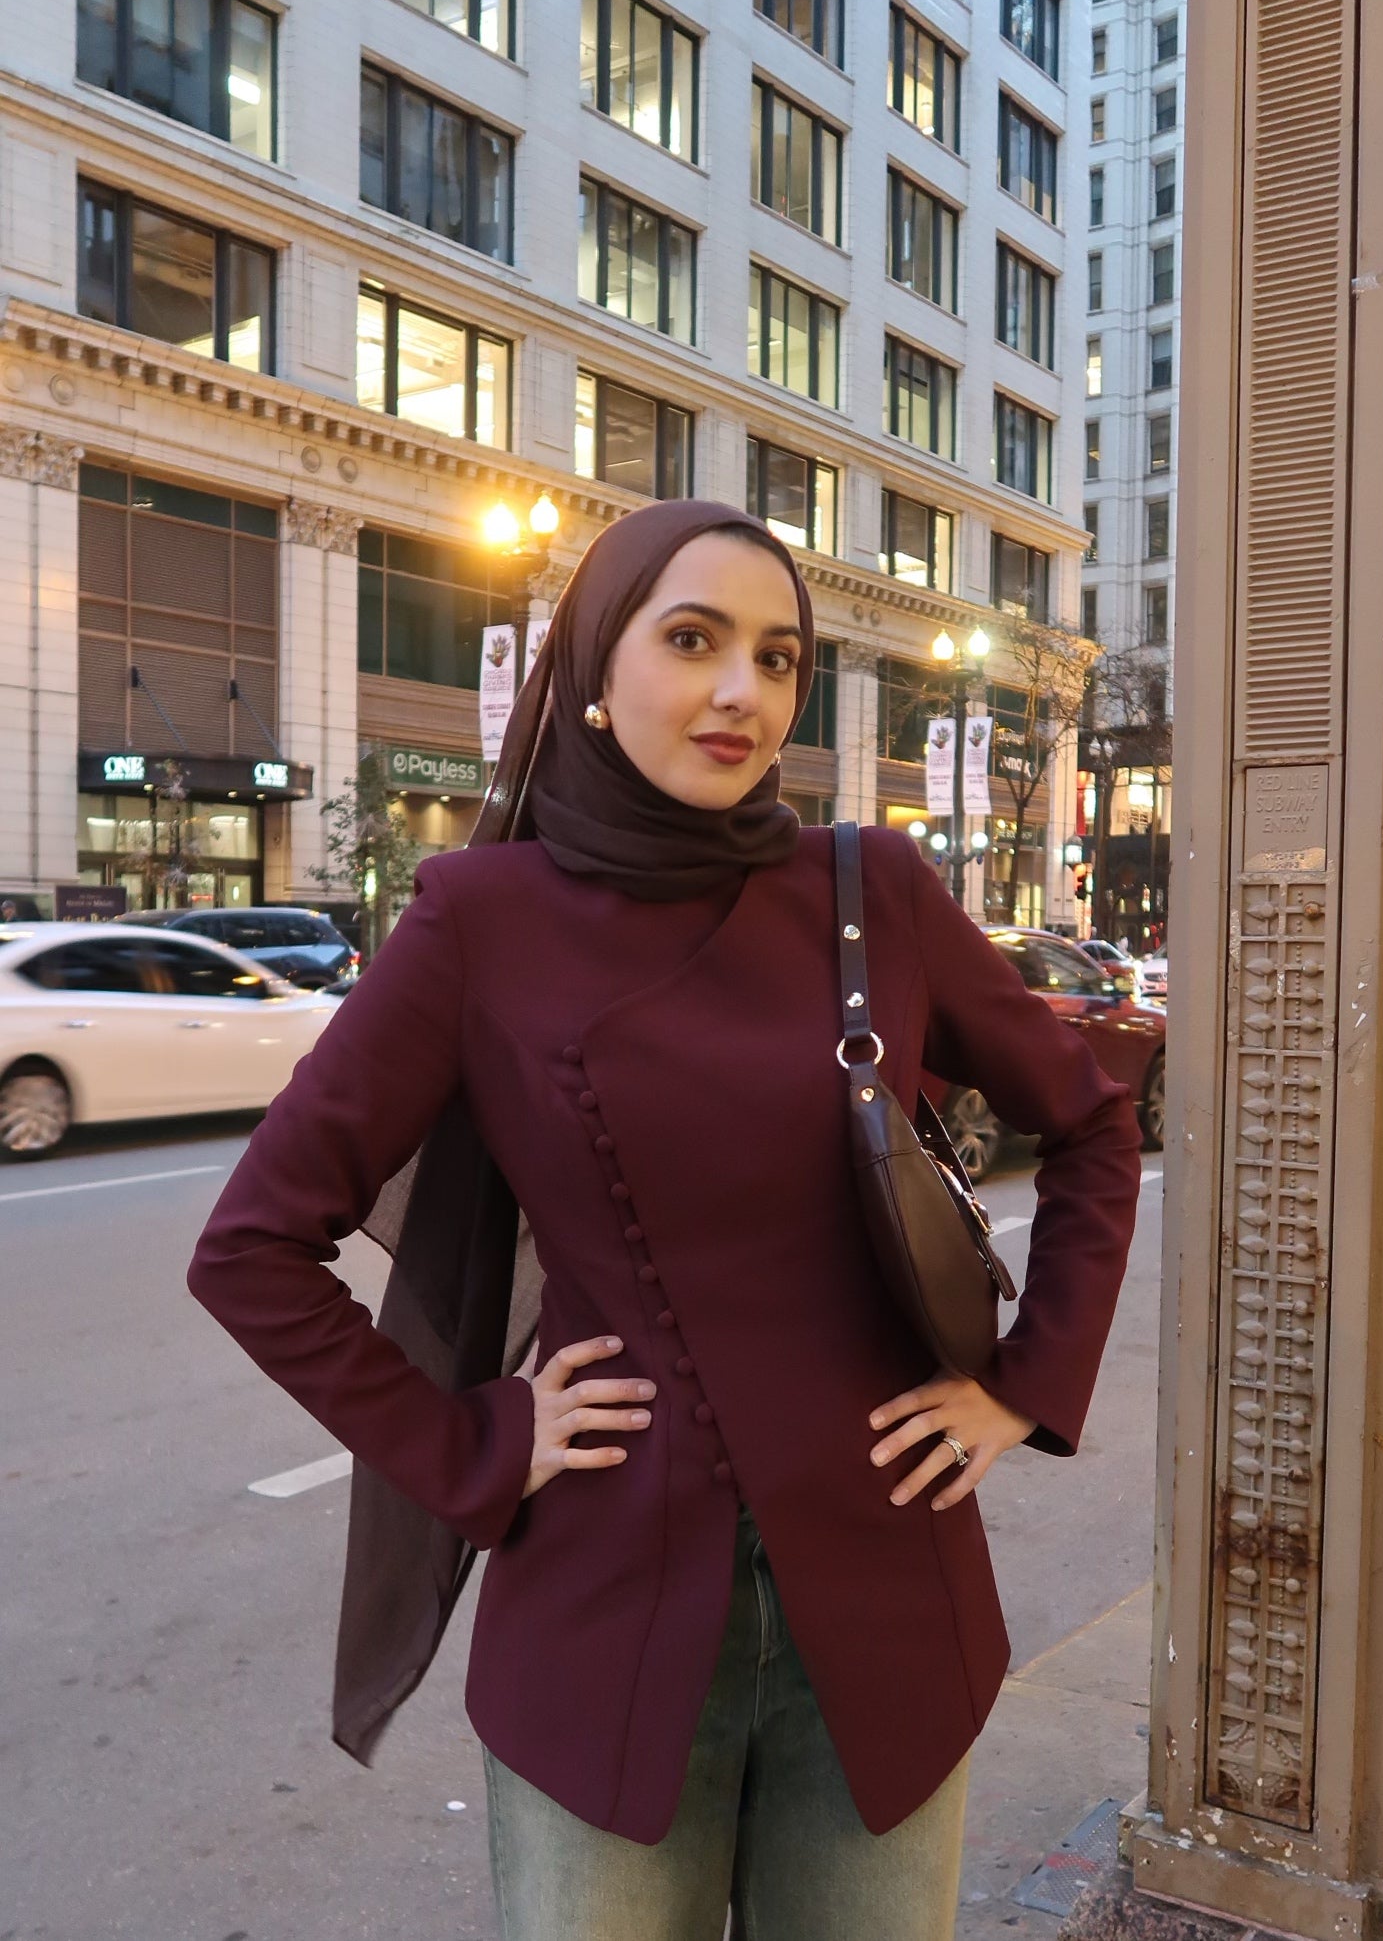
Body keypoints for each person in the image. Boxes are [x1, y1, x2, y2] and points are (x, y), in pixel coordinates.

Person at [188, 501, 1141, 1941]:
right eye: (692, 640)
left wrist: (1024, 1388)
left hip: (887, 1611)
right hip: (602, 1620)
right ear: (590, 670)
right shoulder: (475, 917)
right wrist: (475, 1441)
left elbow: (1089, 1117)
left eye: (777, 657)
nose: (742, 691)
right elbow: (253, 1247)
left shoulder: (869, 888)